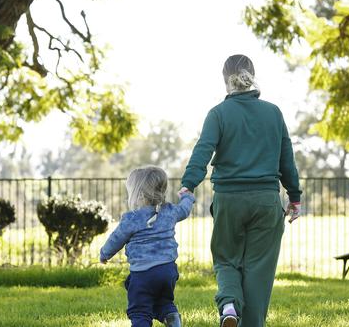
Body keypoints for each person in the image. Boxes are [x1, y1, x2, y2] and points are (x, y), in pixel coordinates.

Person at [180, 54, 302, 327]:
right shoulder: (273, 112)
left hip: (229, 201)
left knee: (225, 259)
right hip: (266, 202)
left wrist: (188, 184)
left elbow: (203, 151)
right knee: (259, 272)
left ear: (226, 81)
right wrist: (295, 197)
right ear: (252, 76)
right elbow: (287, 160)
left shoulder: (218, 114)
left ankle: (230, 304)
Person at [100, 165, 196, 327]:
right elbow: (185, 210)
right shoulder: (170, 211)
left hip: (143, 274)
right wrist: (187, 197)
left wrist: (104, 254)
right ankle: (171, 316)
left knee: (139, 311)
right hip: (168, 270)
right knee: (164, 300)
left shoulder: (132, 218)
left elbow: (116, 239)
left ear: (139, 195)